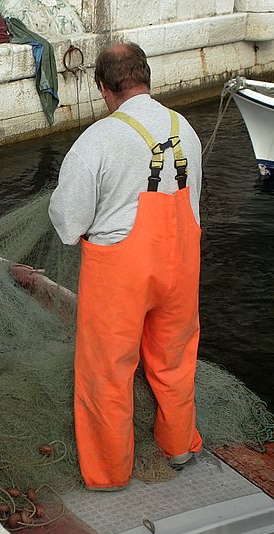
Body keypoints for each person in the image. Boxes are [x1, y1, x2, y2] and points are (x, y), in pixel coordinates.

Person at [49, 42, 203, 491]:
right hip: (181, 262)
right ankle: (178, 448)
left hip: (121, 272)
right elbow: (194, 204)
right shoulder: (186, 130)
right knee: (174, 360)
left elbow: (68, 222)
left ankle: (110, 473)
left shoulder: (97, 140)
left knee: (108, 372)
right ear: (146, 76)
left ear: (103, 87)